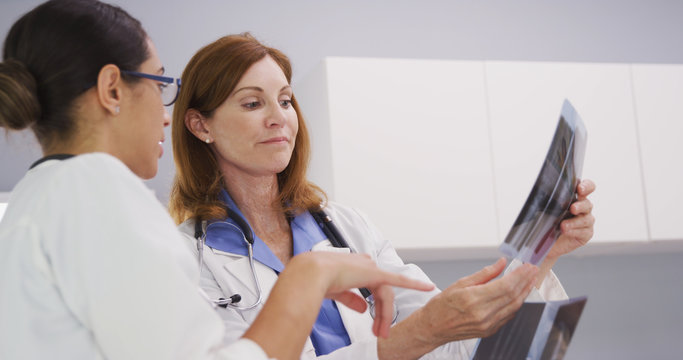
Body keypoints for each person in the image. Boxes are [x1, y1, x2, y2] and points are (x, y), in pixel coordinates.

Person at [0, 2, 435, 360]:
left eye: (285, 100)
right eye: (158, 83)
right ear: (113, 89)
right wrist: (307, 278)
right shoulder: (98, 192)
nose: (164, 112)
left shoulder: (35, 200)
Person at [168, 33, 597, 360]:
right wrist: (420, 332)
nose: (279, 118)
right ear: (200, 126)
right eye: (251, 104)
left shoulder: (347, 227)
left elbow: (451, 348)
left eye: (285, 100)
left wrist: (544, 252)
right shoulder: (187, 259)